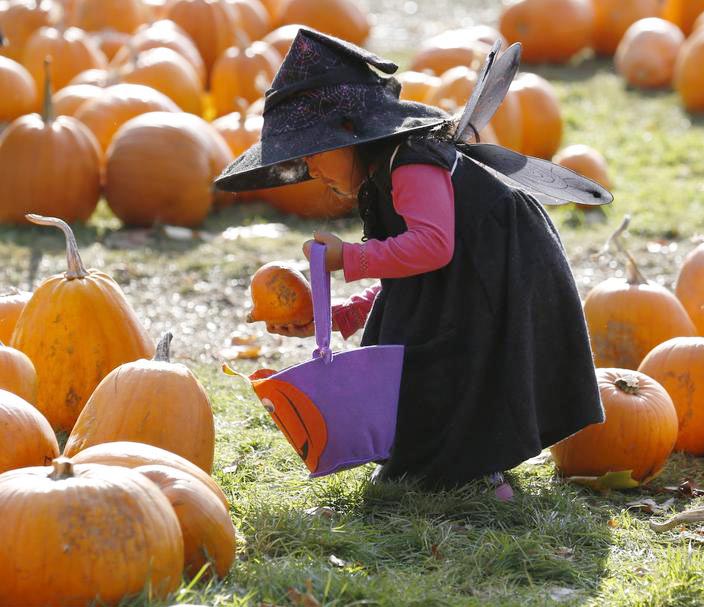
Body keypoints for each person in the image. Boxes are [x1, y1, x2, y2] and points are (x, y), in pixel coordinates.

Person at [215, 27, 609, 497]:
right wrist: (341, 315)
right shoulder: (386, 171)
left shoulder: (412, 163)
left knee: (447, 361)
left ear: (351, 134)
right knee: (411, 349)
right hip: (465, 274)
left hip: (499, 272)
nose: (311, 171)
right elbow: (408, 283)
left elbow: (433, 247)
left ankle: (475, 470)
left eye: (313, 154)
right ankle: (430, 464)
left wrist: (348, 257)